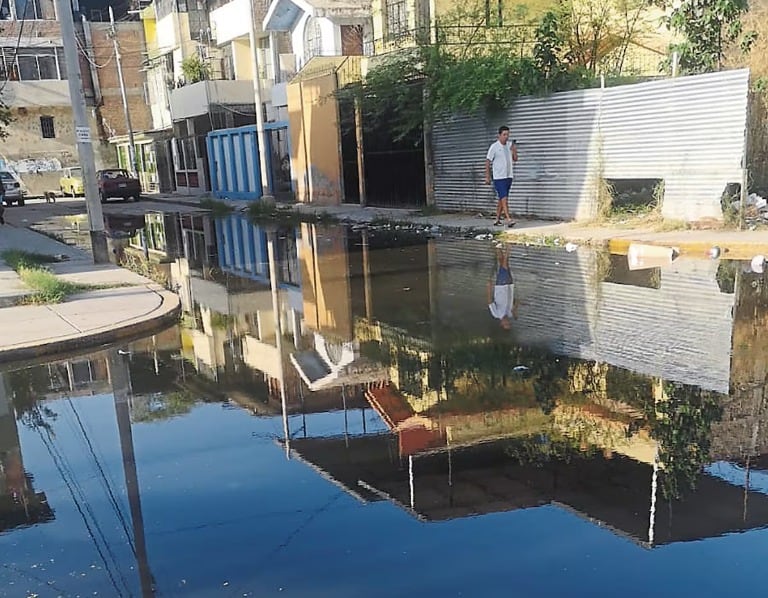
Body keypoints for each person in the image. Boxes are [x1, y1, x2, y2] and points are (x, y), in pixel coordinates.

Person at [485, 125, 518, 227]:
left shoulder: (509, 146)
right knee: (504, 197)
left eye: (507, 134)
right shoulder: (494, 147)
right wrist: (487, 176)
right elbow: (487, 161)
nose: (506, 137)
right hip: (499, 177)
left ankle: (497, 219)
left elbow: (515, 159)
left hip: (508, 176)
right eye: (504, 135)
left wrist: (514, 150)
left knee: (502, 198)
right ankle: (508, 218)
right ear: (499, 135)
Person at [487, 244, 518, 330]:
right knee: (503, 264)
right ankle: (498, 247)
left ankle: (508, 248)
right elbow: (515, 301)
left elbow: (490, 301)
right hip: (509, 286)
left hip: (501, 286)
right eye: (509, 324)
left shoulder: (496, 314)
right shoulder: (510, 314)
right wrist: (515, 309)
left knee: (505, 266)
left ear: (502, 324)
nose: (508, 322)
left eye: (506, 324)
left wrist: (489, 287)